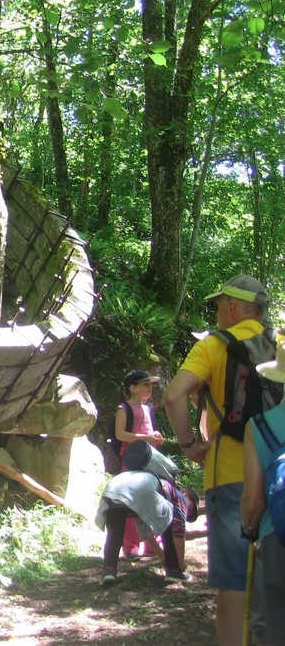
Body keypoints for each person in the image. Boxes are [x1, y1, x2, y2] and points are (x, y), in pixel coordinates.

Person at [164, 275, 270, 646]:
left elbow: (174, 396)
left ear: (231, 307)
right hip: (278, 472)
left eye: (219, 306)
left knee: (234, 582)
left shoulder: (214, 346)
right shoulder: (280, 345)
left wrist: (190, 443)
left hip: (229, 473)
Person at [95, 440, 199, 587]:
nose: (187, 514)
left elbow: (145, 533)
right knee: (169, 522)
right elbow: (178, 532)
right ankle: (174, 573)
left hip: (114, 486)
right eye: (191, 510)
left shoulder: (148, 486)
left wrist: (163, 558)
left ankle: (109, 572)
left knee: (114, 533)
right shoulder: (178, 495)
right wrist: (179, 563)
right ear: (187, 495)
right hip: (136, 491)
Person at [240, 336, 285, 646]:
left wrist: (249, 527)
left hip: (276, 537)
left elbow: (254, 501)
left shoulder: (259, 425)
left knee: (274, 624)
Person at [116, 370, 165, 559]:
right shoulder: (123, 409)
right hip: (131, 461)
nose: (149, 388)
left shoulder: (148, 409)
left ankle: (153, 544)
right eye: (145, 384)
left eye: (150, 384)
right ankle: (130, 546)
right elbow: (120, 434)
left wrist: (156, 437)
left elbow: (149, 431)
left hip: (149, 460)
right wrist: (145, 437)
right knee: (131, 501)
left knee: (153, 500)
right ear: (132, 388)